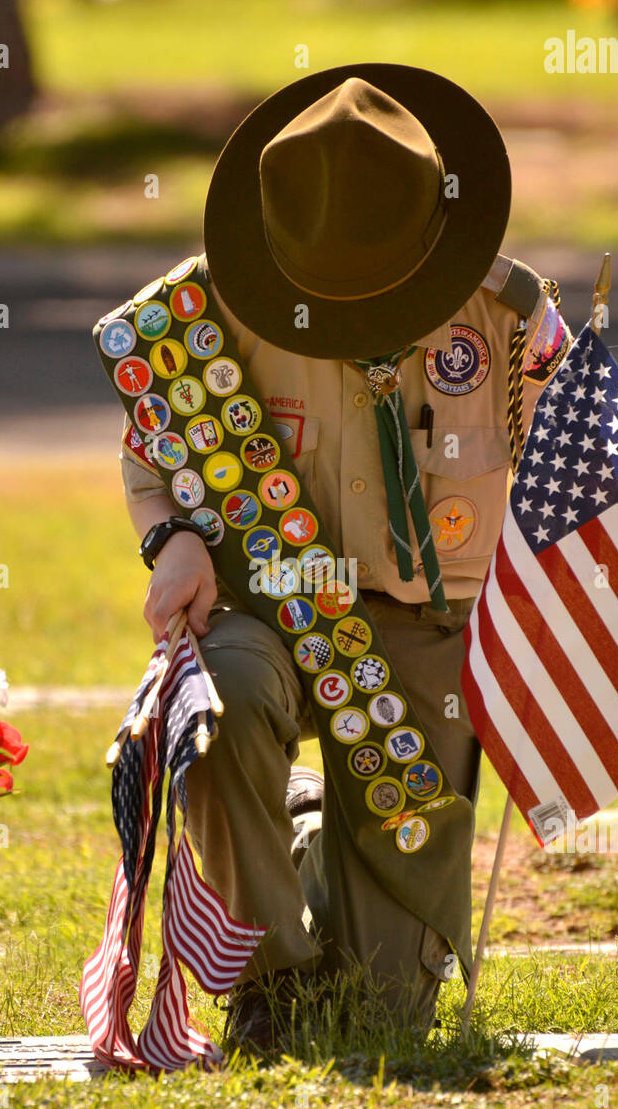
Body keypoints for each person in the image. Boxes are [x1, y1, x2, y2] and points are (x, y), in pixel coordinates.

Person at [103, 64, 569, 1051]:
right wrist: (173, 539)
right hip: (268, 603)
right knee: (215, 703)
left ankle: (315, 832)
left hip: (428, 621)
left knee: (380, 1013)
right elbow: (153, 453)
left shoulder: (513, 320)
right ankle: (266, 972)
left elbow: (572, 499)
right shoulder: (203, 316)